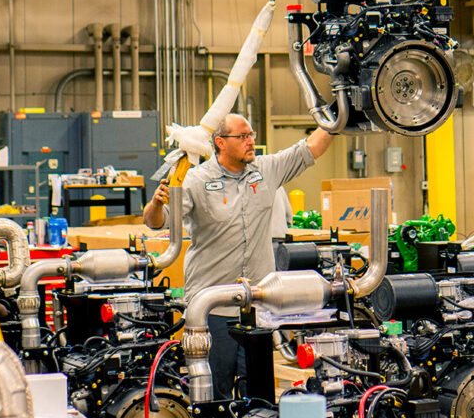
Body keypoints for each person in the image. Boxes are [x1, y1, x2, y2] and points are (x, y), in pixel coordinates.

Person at [143, 113, 334, 400]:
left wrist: (337, 117)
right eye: (242, 136)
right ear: (220, 142)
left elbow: (310, 149)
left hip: (256, 306)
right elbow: (156, 222)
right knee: (215, 394)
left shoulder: (266, 170)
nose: (251, 141)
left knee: (258, 392)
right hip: (213, 309)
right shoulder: (197, 180)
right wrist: (156, 205)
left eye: (251, 135)